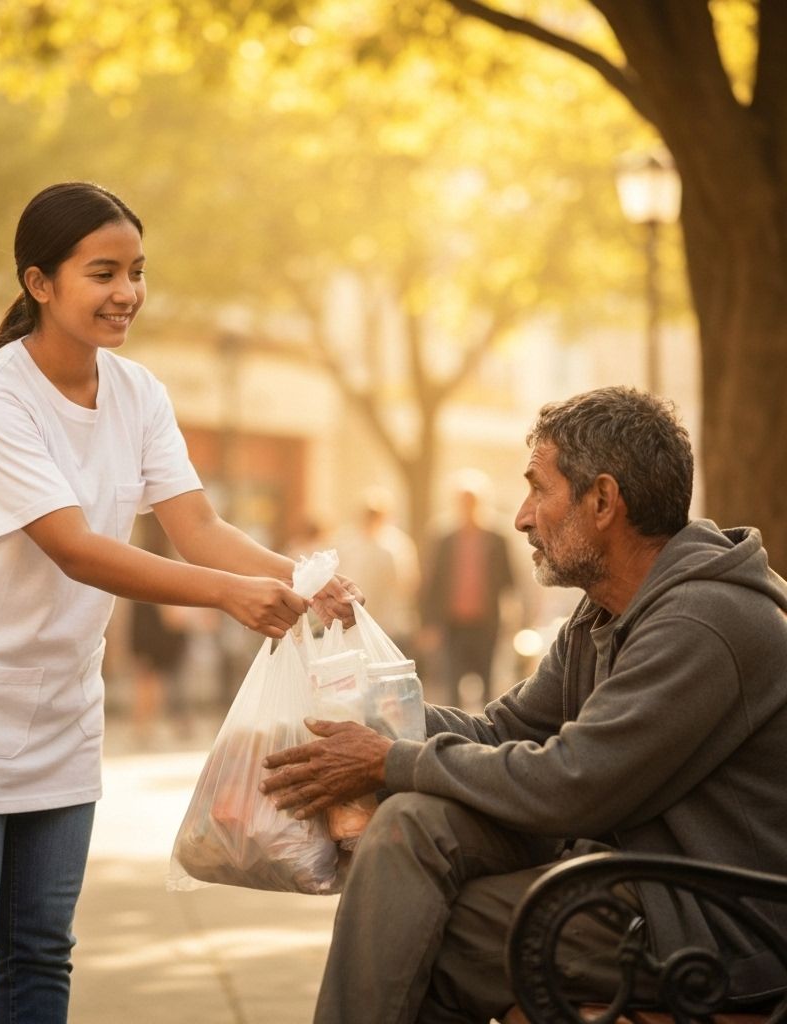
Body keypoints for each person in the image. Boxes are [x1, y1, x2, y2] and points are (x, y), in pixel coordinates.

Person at [0, 181, 360, 1024]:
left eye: (136, 271)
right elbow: (76, 548)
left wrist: (305, 580)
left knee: (42, 947)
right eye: (103, 273)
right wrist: (229, 596)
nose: (127, 292)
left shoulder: (137, 393)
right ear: (39, 283)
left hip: (62, 708)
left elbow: (198, 526)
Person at [260, 386, 787, 1024]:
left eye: (539, 490)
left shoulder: (704, 620)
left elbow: (574, 782)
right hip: (636, 881)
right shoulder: (603, 613)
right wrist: (358, 708)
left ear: (602, 501)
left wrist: (387, 759)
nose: (522, 517)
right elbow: (501, 730)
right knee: (413, 821)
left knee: (431, 931)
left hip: (718, 927)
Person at [419, 474, 515, 707]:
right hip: (453, 623)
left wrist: (515, 619)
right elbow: (432, 583)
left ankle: (490, 726)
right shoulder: (444, 539)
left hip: (486, 622)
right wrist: (428, 623)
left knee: (488, 683)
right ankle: (454, 727)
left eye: (472, 502)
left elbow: (509, 581)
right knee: (452, 685)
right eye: (463, 502)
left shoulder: (497, 538)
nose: (468, 507)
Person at [334, 486, 421, 653]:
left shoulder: (396, 545)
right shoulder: (347, 543)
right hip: (353, 620)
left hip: (388, 622)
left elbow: (408, 583)